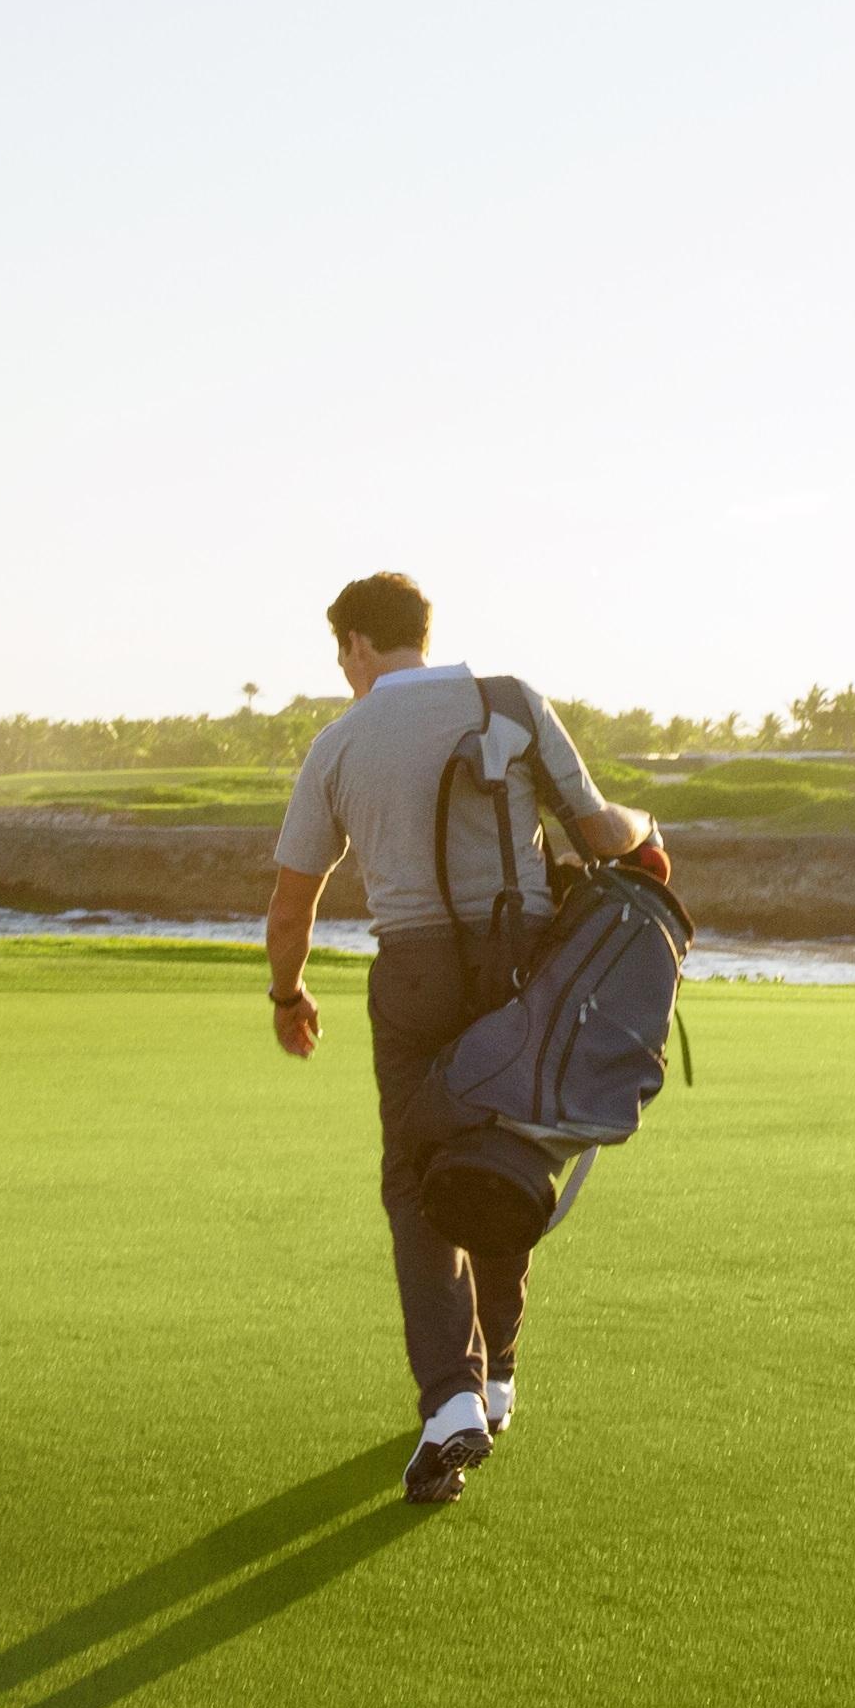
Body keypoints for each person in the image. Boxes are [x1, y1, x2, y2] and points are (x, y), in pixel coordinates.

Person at [263, 570, 664, 1504]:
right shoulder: (510, 700)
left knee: (416, 1172)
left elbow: (292, 905)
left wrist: (288, 994)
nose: (344, 670)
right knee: (505, 1144)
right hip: (521, 963)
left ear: (359, 644)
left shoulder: (339, 744)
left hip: (411, 970)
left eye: (340, 653)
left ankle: (450, 1400)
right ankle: (497, 1378)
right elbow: (604, 832)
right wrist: (649, 825)